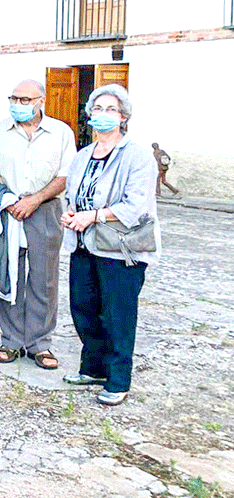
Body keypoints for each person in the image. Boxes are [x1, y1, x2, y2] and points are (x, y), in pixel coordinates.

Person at [61, 85, 158, 406]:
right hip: (84, 245)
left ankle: (118, 380)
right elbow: (73, 195)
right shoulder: (82, 156)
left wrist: (93, 216)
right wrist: (72, 213)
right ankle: (93, 369)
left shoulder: (138, 156)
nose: (103, 115)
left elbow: (136, 206)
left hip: (121, 248)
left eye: (111, 109)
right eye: (97, 108)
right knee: (84, 309)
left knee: (117, 315)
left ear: (124, 117)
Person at [0, 79, 75, 369]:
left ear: (41, 101)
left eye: (25, 100)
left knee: (43, 279)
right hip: (8, 210)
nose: (18, 105)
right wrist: (9, 201)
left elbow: (64, 175)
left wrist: (35, 200)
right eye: (14, 99)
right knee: (8, 275)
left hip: (45, 210)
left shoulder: (61, 132)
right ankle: (10, 340)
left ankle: (40, 343)